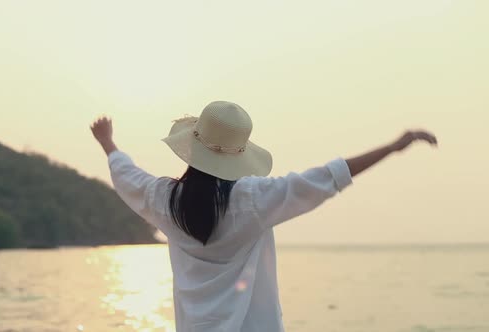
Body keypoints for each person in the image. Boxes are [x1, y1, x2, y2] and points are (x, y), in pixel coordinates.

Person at [90, 101, 437, 332]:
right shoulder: (251, 200)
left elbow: (127, 176)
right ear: (238, 154)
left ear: (192, 149)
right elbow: (326, 178)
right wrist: (393, 147)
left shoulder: (165, 198)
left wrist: (107, 142)